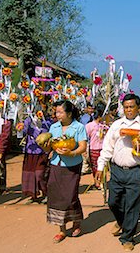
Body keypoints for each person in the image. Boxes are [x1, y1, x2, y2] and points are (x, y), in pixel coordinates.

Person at [96, 94, 140, 251]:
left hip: (136, 171)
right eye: (126, 107)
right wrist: (100, 166)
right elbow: (107, 147)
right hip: (116, 170)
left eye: (132, 107)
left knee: (133, 205)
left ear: (139, 108)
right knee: (113, 202)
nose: (129, 110)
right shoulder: (117, 125)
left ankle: (127, 237)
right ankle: (122, 221)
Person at [43, 100, 87, 243]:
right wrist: (44, 146)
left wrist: (72, 153)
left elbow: (83, 146)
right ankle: (61, 230)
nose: (57, 114)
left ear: (68, 113)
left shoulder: (79, 127)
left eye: (60, 112)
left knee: (70, 196)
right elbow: (48, 148)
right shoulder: (53, 127)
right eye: (56, 112)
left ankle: (76, 222)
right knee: (56, 195)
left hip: (72, 165)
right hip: (56, 164)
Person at [20, 112, 52, 204]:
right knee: (29, 174)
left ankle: (46, 193)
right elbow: (23, 132)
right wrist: (21, 127)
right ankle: (33, 195)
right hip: (30, 152)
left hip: (43, 153)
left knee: (40, 174)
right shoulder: (28, 121)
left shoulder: (48, 123)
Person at [85, 103, 107, 189]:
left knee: (102, 166)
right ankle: (96, 181)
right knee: (95, 166)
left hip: (102, 148)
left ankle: (101, 181)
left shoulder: (104, 126)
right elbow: (86, 136)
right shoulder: (89, 125)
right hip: (93, 148)